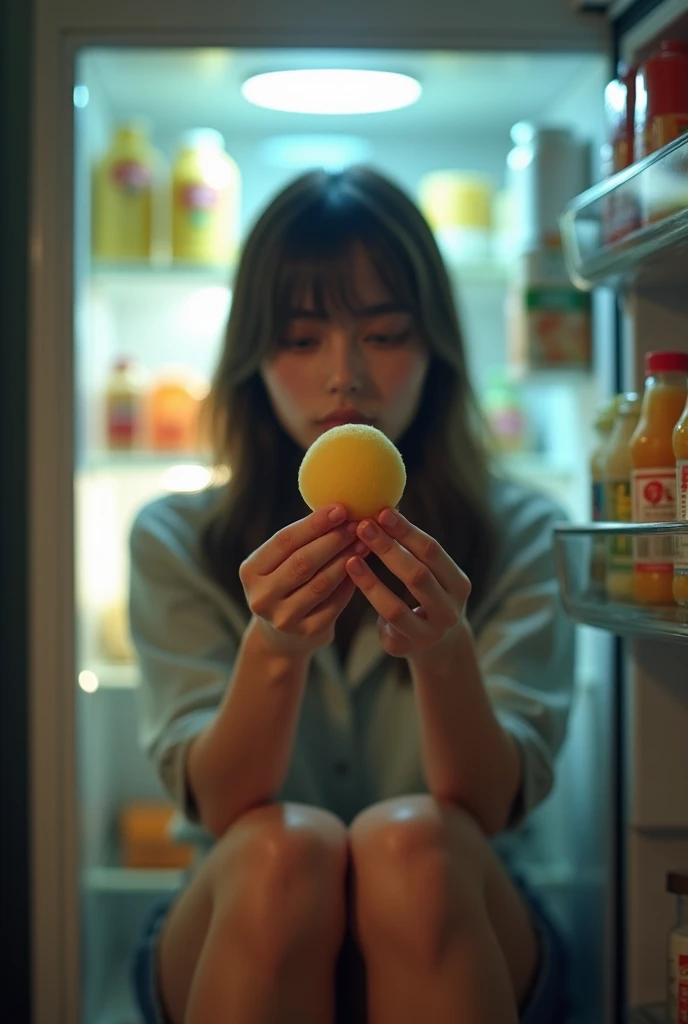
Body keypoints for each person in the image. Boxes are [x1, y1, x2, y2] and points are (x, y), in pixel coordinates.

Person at [128, 165, 574, 1024]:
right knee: (277, 857)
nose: (344, 378)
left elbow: (485, 808)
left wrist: (445, 651)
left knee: (413, 848)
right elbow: (224, 809)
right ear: (253, 357)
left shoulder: (521, 531)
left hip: (461, 909)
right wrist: (275, 648)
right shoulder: (175, 539)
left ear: (435, 347)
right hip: (236, 914)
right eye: (301, 339)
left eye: (384, 332)